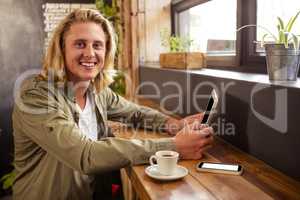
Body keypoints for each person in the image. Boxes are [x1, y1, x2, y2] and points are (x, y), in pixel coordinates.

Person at [12, 9, 214, 200]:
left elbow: (136, 114)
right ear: (61, 49)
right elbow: (85, 154)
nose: (90, 54)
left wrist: (174, 124)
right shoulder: (36, 95)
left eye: (97, 45)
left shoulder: (96, 91)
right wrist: (174, 146)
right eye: (80, 44)